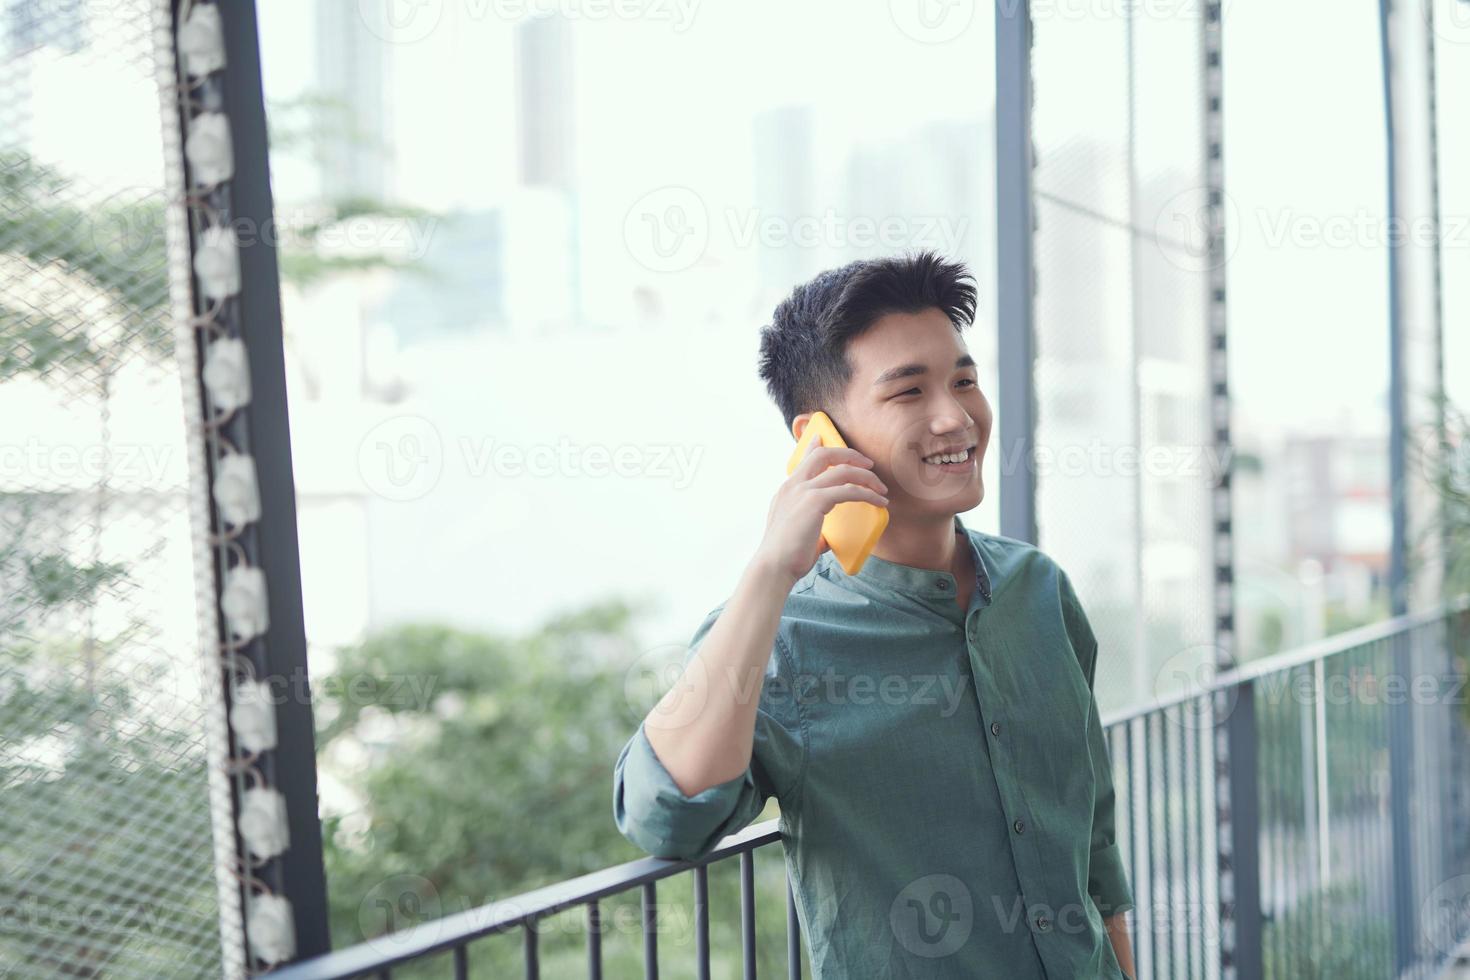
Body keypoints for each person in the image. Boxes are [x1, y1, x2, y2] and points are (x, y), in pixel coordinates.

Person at [612, 250, 1137, 978]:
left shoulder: (1039, 590)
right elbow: (669, 815)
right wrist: (771, 569)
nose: (955, 417)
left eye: (963, 381)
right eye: (908, 393)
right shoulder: (786, 636)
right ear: (820, 439)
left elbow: (1096, 852)